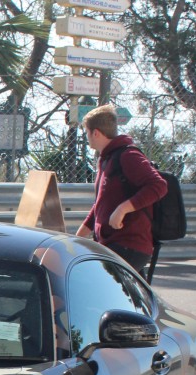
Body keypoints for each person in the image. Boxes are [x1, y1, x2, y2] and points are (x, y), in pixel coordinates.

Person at [77, 103, 167, 279]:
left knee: (93, 284)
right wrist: (76, 239)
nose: (87, 137)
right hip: (112, 244)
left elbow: (159, 185)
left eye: (87, 132)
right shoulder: (106, 160)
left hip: (129, 245)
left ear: (95, 133)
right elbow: (100, 205)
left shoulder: (128, 156)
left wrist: (123, 209)